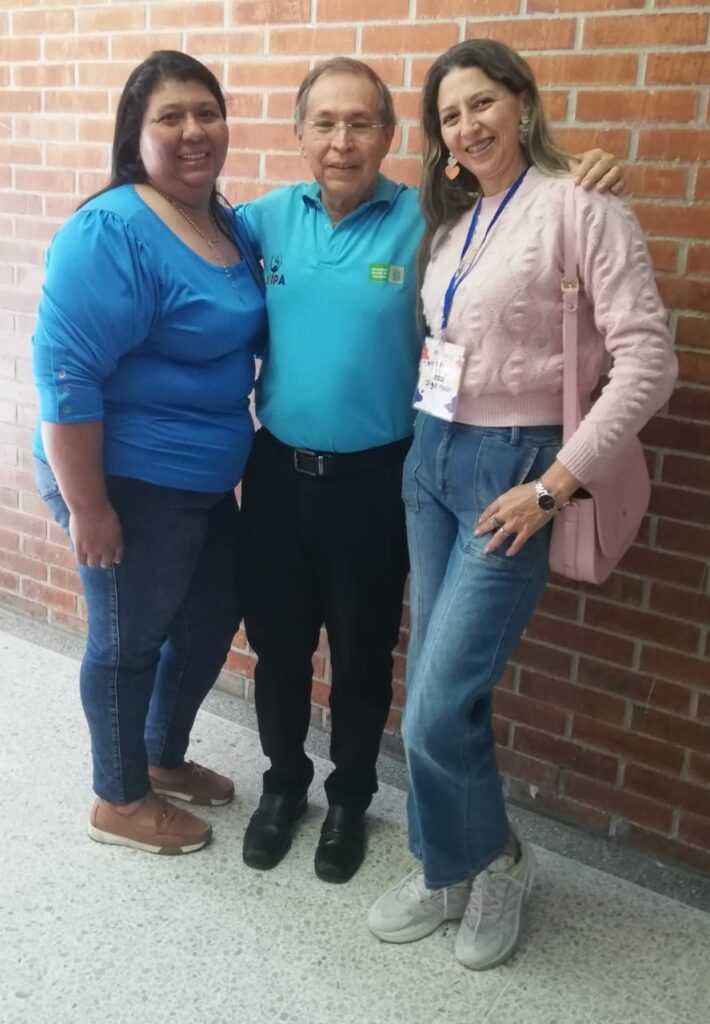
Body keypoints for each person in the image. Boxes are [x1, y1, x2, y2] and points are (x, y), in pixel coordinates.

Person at [236, 56, 625, 884]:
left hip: (383, 478)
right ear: (301, 131)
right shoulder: (259, 223)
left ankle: (349, 801)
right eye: (325, 123)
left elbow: (524, 216)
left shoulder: (433, 222)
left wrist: (585, 172)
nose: (342, 141)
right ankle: (283, 787)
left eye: (362, 123)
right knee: (276, 647)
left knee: (366, 652)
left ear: (388, 134)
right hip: (275, 474)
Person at [367, 39, 677, 967]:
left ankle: (499, 859)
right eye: (449, 117)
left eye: (480, 103)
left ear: (522, 101)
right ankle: (443, 864)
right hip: (432, 460)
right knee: (428, 682)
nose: (466, 126)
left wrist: (552, 485)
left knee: (436, 704)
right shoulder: (456, 224)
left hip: (516, 474)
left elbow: (649, 362)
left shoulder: (583, 203)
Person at [31, 51, 267, 855]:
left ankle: (160, 757)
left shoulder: (221, 219)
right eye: (171, 116)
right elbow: (65, 382)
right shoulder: (112, 230)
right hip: (128, 478)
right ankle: (119, 798)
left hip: (204, 479)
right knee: (128, 640)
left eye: (207, 111)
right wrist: (90, 509)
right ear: (137, 134)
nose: (194, 130)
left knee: (208, 619)